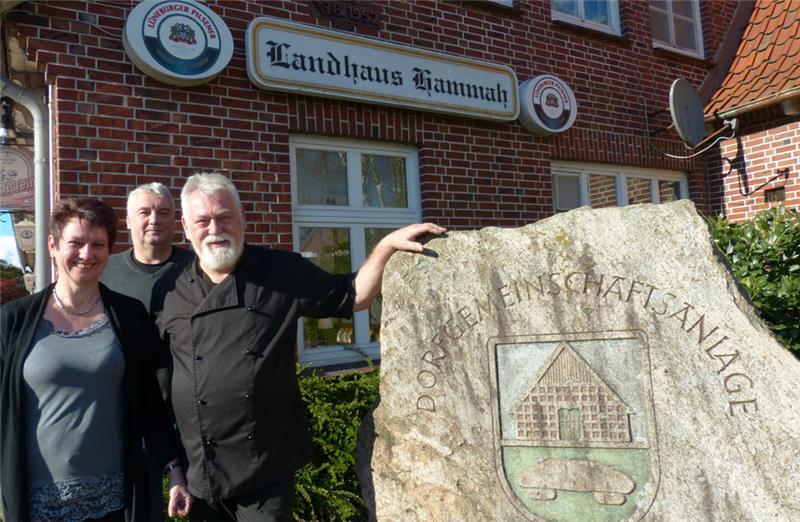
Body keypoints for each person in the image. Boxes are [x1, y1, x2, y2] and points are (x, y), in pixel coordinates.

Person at [152, 173, 446, 521]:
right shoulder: (168, 290)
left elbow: (354, 295)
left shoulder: (281, 271)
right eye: (203, 221)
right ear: (186, 226)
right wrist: (175, 472)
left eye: (224, 216)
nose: (215, 229)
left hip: (265, 471)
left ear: (242, 217)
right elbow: (158, 384)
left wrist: (384, 247)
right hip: (202, 474)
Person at [0, 198, 193, 522]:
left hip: (113, 499)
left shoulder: (128, 315)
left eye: (98, 245)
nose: (86, 254)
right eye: (75, 243)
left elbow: (149, 402)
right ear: (53, 245)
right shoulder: (14, 320)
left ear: (108, 250)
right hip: (37, 502)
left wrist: (174, 469)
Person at [99, 182, 193, 522]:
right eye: (144, 212)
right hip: (129, 418)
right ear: (127, 221)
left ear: (175, 221)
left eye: (164, 212)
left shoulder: (198, 269)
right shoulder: (104, 272)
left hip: (189, 416)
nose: (154, 219)